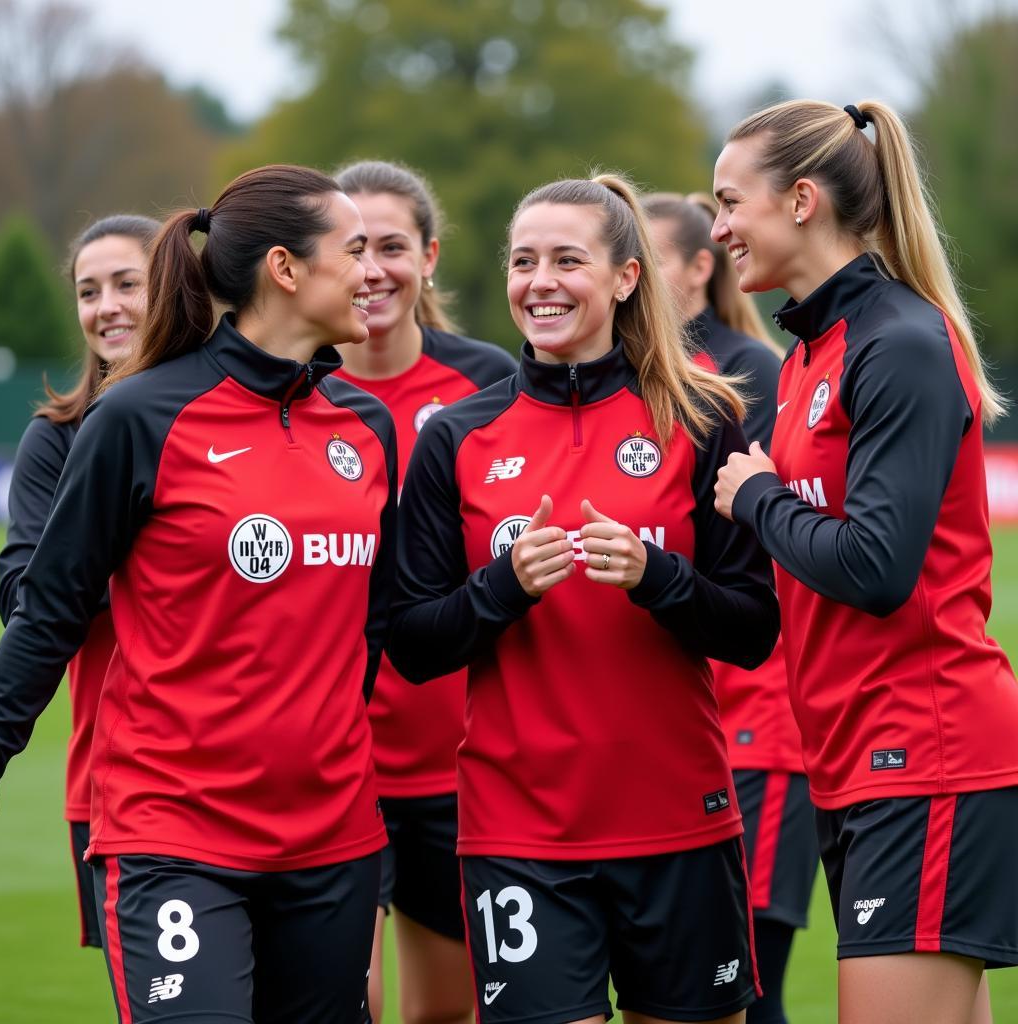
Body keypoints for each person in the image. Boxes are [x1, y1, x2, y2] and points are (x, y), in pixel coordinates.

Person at [0, 165, 397, 1024]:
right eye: (355, 250)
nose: (377, 273)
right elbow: (48, 612)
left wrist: (507, 589)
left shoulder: (370, 426)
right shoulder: (139, 416)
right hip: (175, 833)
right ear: (286, 269)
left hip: (333, 838)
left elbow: (387, 625)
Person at [390, 172, 780, 1024]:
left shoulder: (702, 416)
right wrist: (502, 588)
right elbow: (411, 643)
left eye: (568, 260)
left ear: (625, 277)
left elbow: (754, 631)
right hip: (519, 831)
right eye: (523, 261)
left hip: (680, 818)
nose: (541, 281)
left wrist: (658, 578)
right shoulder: (456, 437)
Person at [712, 99, 1018, 1024]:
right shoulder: (811, 352)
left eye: (732, 201)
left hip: (924, 753)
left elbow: (878, 568)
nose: (719, 225)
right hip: (855, 761)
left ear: (802, 199)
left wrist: (758, 498)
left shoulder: (901, 344)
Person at [333, 159, 516, 1024]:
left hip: (459, 760)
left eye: (393, 246)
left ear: (431, 257)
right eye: (353, 246)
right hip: (333, 761)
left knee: (449, 1012)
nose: (373, 268)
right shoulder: (287, 388)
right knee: (347, 1002)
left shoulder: (489, 383)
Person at [643, 192, 818, 1024]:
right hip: (674, 727)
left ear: (699, 268)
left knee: (749, 987)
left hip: (760, 724)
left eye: (646, 254)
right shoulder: (617, 371)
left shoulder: (749, 373)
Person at [0, 213, 159, 952]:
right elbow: (23, 598)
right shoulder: (54, 439)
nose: (107, 307)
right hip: (114, 779)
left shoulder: (238, 419)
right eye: (90, 292)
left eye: (127, 283)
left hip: (274, 774)